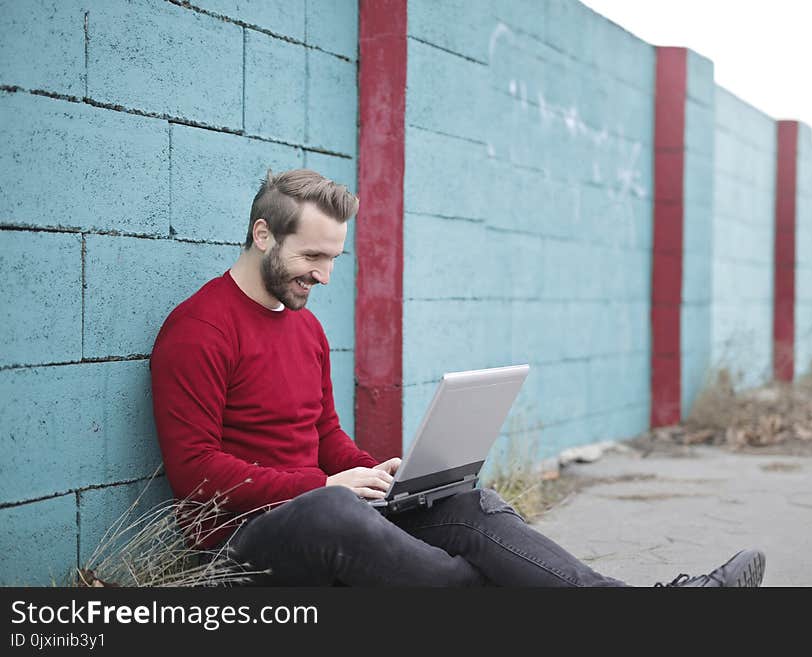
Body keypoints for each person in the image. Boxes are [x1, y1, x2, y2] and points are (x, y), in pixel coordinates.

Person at [149, 168, 766, 587]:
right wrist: (328, 484)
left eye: (334, 258)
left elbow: (327, 437)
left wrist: (383, 473)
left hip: (324, 501)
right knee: (334, 515)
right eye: (312, 257)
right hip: (242, 549)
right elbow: (195, 472)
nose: (325, 277)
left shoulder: (305, 329)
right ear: (263, 235)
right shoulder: (201, 328)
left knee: (468, 504)